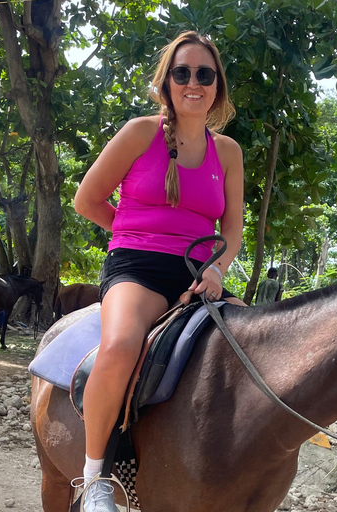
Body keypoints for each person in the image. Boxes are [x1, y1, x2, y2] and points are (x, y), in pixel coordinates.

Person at [73, 31, 245, 511]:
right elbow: (87, 200)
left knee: (260, 346)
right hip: (136, 268)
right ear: (166, 82)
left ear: (217, 87)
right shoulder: (139, 133)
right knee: (123, 343)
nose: (194, 83)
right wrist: (131, 232)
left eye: (204, 74)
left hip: (198, 274)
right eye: (183, 73)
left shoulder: (228, 152)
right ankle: (93, 479)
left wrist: (217, 269)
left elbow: (231, 228)